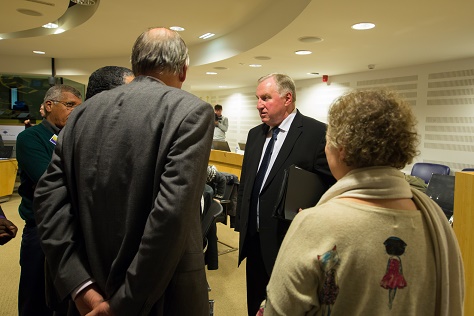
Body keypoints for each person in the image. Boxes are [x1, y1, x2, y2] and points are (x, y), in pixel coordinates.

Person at [34, 27, 214, 316]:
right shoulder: (190, 111)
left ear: (136, 65)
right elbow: (171, 215)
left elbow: (48, 202)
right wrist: (122, 305)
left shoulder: (80, 114)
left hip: (86, 288)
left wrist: (81, 288)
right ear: (183, 70)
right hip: (159, 298)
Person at [262, 89, 464, 315]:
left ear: (343, 149)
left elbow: (279, 309)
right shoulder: (435, 219)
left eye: (328, 140)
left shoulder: (315, 223)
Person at [236, 73, 336, 315]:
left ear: (288, 98)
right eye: (257, 98)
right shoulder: (255, 135)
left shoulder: (316, 134)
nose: (259, 104)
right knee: (255, 303)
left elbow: (333, 185)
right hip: (254, 238)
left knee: (285, 306)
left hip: (288, 240)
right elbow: (249, 180)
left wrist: (315, 213)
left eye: (266, 98)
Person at [15, 84, 82, 316]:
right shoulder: (30, 138)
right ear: (49, 105)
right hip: (41, 231)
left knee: (68, 298)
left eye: (78, 107)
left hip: (73, 228)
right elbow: (47, 182)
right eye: (70, 105)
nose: (75, 111)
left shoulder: (75, 137)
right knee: (35, 299)